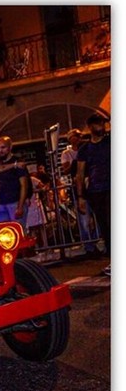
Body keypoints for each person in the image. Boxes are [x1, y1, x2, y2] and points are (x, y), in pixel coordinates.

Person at [76, 112, 111, 275]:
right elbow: (80, 173)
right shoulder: (84, 149)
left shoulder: (111, 142)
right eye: (98, 124)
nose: (102, 127)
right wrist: (81, 196)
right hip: (96, 190)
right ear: (90, 127)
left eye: (103, 124)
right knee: (105, 226)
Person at [0, 136, 30, 230]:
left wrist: (20, 205)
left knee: (18, 231)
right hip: (2, 203)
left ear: (9, 147)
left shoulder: (17, 162)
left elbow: (24, 185)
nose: (0, 150)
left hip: (14, 201)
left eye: (3, 147)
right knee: (2, 231)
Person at [62, 129, 98, 257]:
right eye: (73, 137)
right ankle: (89, 245)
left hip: (92, 184)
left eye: (78, 136)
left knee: (98, 216)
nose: (76, 139)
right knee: (83, 218)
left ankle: (96, 241)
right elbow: (65, 170)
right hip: (78, 185)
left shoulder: (87, 148)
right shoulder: (67, 153)